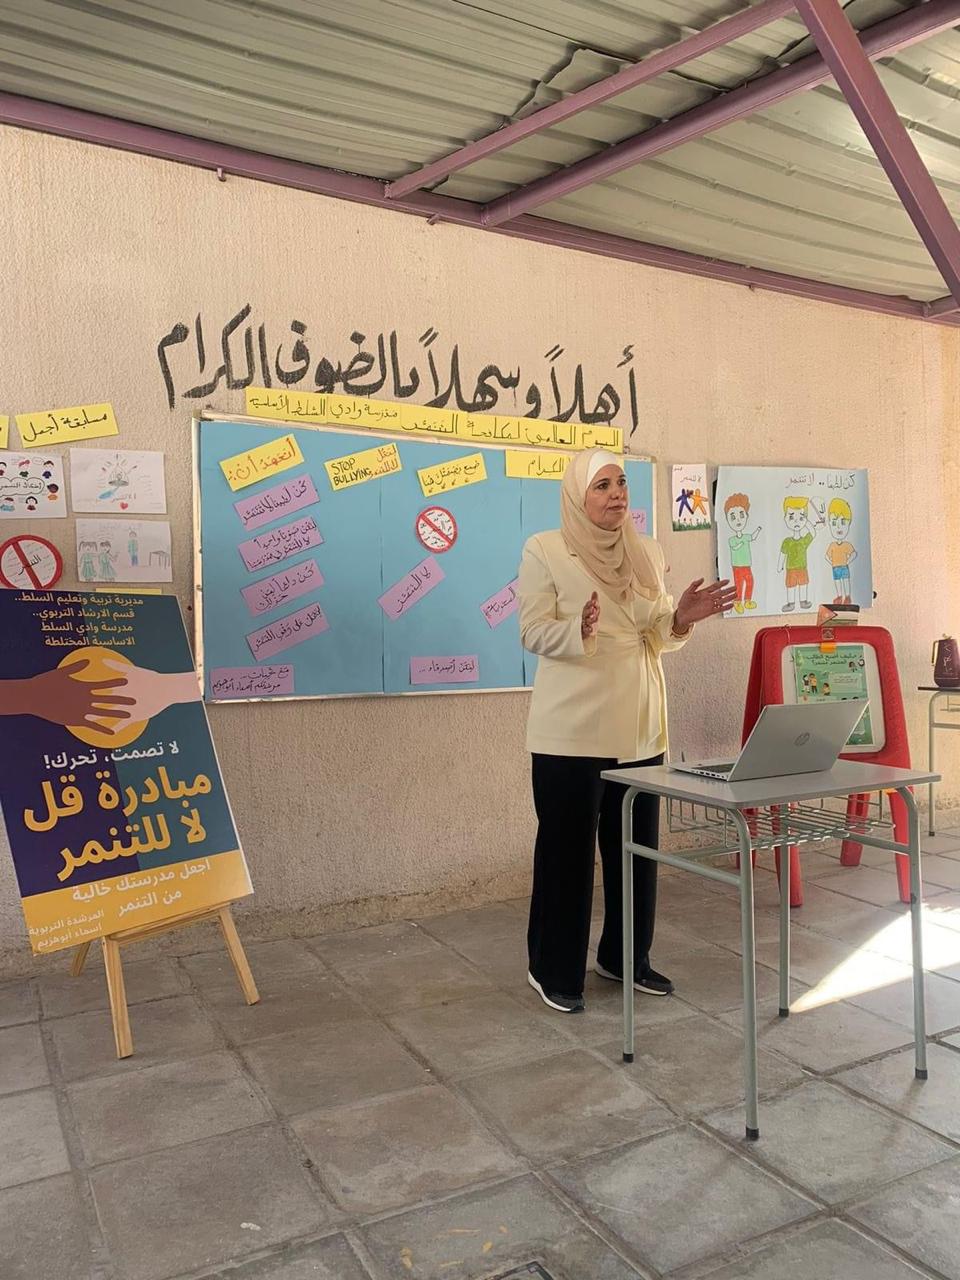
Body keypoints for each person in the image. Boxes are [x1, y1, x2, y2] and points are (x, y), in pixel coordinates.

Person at [518, 448, 737, 1013]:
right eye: (602, 485)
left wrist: (680, 618)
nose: (616, 493)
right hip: (572, 731)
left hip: (640, 725)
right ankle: (552, 968)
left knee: (635, 852)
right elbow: (532, 631)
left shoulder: (648, 552)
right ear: (578, 496)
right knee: (567, 854)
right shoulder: (545, 549)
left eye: (621, 483)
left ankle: (625, 958)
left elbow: (657, 633)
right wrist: (578, 628)